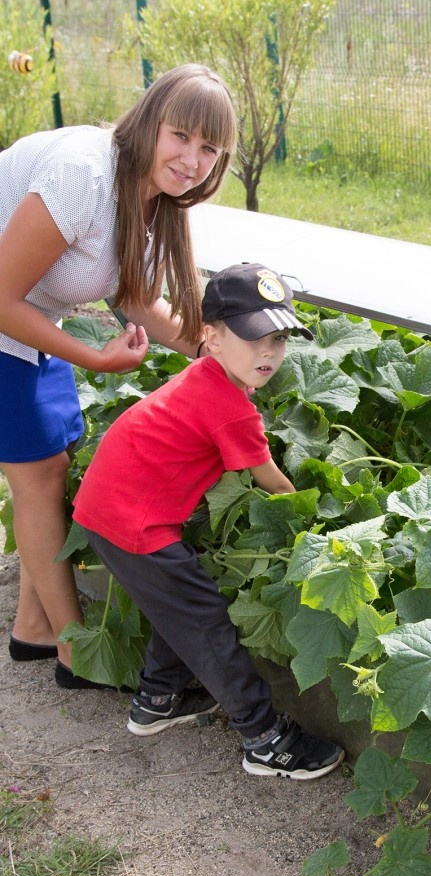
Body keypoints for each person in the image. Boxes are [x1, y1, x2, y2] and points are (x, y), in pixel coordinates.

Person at [0, 64, 237, 689]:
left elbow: (133, 298)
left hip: (25, 309)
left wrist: (215, 354)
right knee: (39, 473)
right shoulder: (85, 172)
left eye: (209, 148)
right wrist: (95, 359)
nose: (192, 159)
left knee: (53, 461)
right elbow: (0, 296)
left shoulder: (149, 197)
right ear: (149, 120)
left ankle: (33, 626)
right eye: (180, 135)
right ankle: (77, 652)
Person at [72, 262, 345, 780]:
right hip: (136, 524)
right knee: (205, 620)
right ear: (213, 339)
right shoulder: (232, 409)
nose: (269, 352)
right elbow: (274, 484)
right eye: (254, 337)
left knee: (181, 608)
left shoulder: (207, 377)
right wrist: (318, 524)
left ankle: (158, 699)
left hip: (108, 509)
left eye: (280, 339)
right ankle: (264, 739)